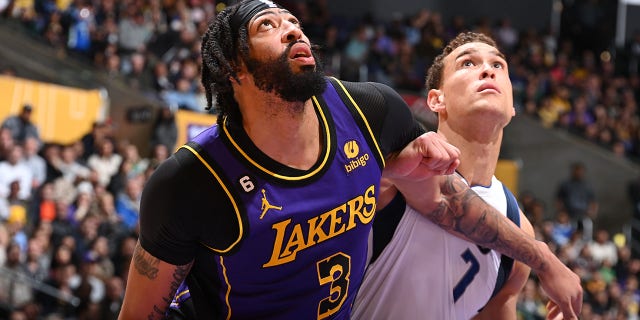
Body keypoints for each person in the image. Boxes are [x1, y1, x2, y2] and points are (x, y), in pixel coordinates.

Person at [118, 2, 581, 319]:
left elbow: (445, 201)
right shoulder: (190, 181)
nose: (293, 30)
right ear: (232, 69)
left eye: (293, 22)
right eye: (268, 27)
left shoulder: (369, 112)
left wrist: (544, 260)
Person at [352, 31, 536, 319]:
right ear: (436, 100)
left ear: (513, 107)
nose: (488, 69)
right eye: (468, 63)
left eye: (498, 65)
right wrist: (549, 263)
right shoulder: (399, 170)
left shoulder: (519, 228)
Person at [556, 161, 598, 241]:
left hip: (584, 216)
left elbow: (593, 201)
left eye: (580, 171)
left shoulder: (587, 185)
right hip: (569, 215)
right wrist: (561, 213)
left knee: (586, 236)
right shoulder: (566, 184)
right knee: (569, 237)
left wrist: (593, 212)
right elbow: (559, 200)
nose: (579, 173)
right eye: (577, 170)